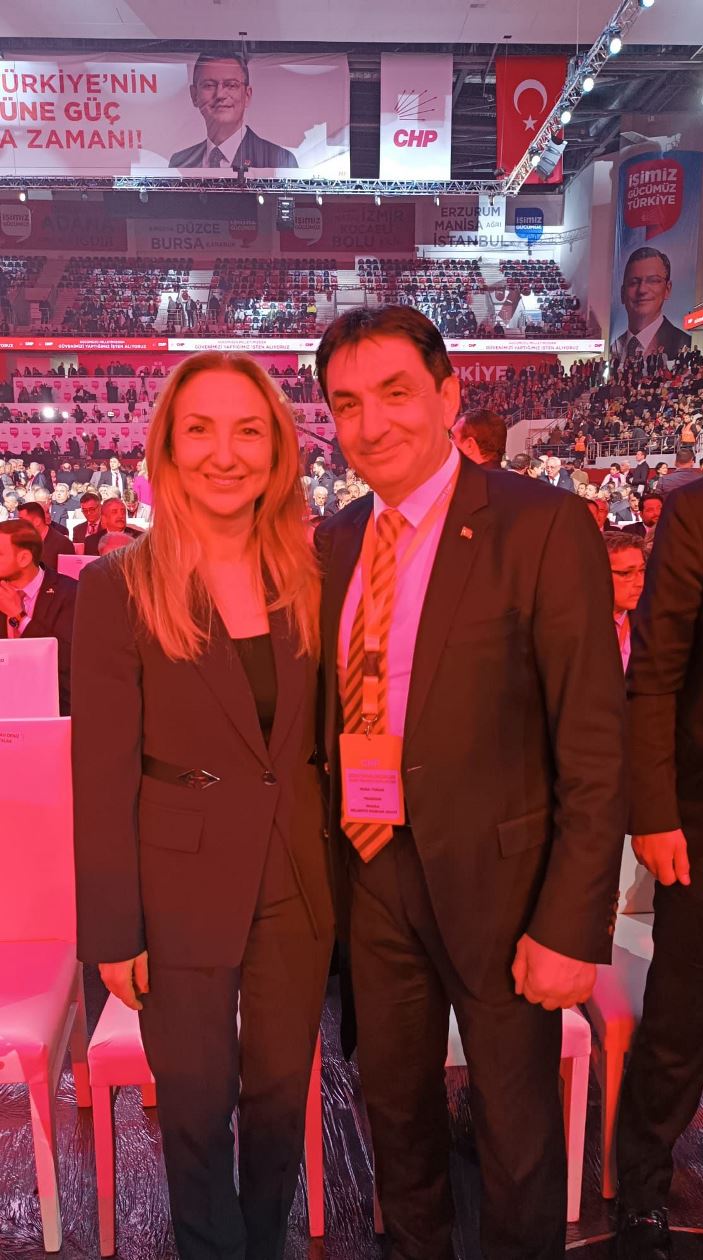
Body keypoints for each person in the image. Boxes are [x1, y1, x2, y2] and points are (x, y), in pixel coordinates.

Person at [313, 306, 626, 1260]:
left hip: (506, 891)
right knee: (396, 1120)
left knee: (516, 1138)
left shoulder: (539, 524)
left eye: (394, 393)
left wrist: (570, 925)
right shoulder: (332, 542)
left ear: (448, 394)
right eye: (346, 403)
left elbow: (592, 745)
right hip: (372, 875)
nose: (371, 423)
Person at [72, 352, 333, 1260]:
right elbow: (101, 773)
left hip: (296, 874)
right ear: (170, 450)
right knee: (192, 1105)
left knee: (279, 1098)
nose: (226, 453)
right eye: (201, 430)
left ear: (278, 450)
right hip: (175, 883)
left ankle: (264, 1244)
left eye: (248, 430)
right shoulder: (117, 587)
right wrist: (113, 932)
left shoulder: (312, 576)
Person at [616, 476, 703, 1260]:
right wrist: (651, 811)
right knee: (681, 1018)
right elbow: (651, 673)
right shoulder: (697, 511)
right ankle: (642, 1193)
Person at [169, 53, 298, 171]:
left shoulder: (279, 160)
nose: (220, 95)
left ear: (247, 95)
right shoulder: (179, 163)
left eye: (231, 85)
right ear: (194, 95)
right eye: (209, 85)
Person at [0, 519, 77, 715]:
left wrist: (19, 616)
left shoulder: (70, 593)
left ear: (24, 558)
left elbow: (67, 659)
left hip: (54, 707)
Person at [610, 248, 691, 364]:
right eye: (634, 282)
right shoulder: (613, 347)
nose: (642, 290)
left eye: (653, 281)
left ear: (667, 289)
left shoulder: (684, 342)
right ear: (622, 293)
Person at [604, 532, 646, 673]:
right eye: (626, 573)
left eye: (642, 570)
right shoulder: (576, 628)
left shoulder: (649, 624)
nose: (640, 583)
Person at [17, 500, 75, 570]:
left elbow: (67, 574)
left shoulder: (63, 544)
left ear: (37, 521)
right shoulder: (21, 541)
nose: (19, 524)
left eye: (22, 520)